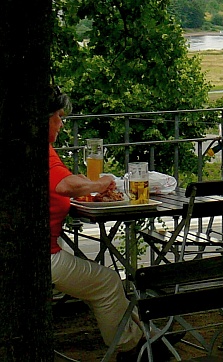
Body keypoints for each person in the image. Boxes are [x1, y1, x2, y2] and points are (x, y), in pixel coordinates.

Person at [47, 86, 170, 362]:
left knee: (104, 282)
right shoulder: (41, 150)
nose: (62, 123)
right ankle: (130, 348)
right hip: (47, 258)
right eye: (58, 116)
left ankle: (147, 337)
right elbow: (64, 184)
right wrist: (99, 183)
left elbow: (61, 182)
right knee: (108, 282)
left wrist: (87, 186)